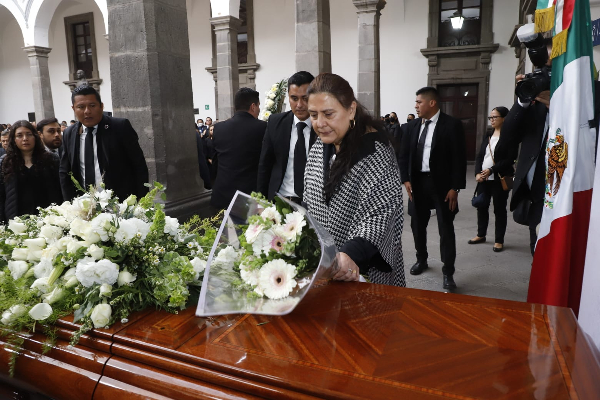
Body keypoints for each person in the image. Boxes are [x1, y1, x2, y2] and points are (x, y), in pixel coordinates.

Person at [304, 73, 405, 287]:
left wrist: (351, 253)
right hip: (324, 265)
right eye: (313, 115)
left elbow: (379, 214)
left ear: (351, 110)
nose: (320, 123)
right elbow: (309, 198)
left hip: (361, 270)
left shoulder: (375, 151)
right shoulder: (320, 145)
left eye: (328, 114)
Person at [398, 87, 466, 289]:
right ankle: (422, 259)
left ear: (432, 103)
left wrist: (455, 188)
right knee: (417, 225)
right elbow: (404, 155)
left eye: (419, 102)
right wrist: (405, 179)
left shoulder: (451, 125)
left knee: (446, 227)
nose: (415, 106)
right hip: (417, 184)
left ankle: (448, 272)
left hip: (443, 186)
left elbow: (459, 158)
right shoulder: (410, 127)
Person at [60, 85, 149, 201]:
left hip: (120, 202)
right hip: (84, 204)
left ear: (101, 106)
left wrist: (142, 201)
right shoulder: (69, 133)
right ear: (73, 109)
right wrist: (69, 202)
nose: (87, 111)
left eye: (92, 106)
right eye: (81, 107)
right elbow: (65, 171)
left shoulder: (120, 127)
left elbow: (139, 165)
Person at [495, 84, 550, 256]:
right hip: (538, 192)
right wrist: (522, 100)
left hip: (569, 190)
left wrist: (555, 103)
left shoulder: (578, 102)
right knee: (538, 248)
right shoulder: (534, 109)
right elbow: (508, 136)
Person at [257, 71, 316, 203]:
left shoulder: (323, 126)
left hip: (314, 204)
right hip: (281, 200)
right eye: (294, 98)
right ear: (288, 97)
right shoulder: (276, 123)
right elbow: (265, 165)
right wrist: (261, 201)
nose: (299, 105)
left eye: (305, 98)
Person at [469, 107, 516, 252]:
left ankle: (499, 240)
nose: (492, 120)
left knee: (499, 209)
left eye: (495, 117)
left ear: (504, 118)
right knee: (482, 206)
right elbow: (480, 156)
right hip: (484, 179)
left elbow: (509, 159)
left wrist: (491, 170)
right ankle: (481, 234)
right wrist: (477, 173)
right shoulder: (488, 135)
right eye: (490, 117)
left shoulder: (510, 137)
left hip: (499, 179)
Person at [210, 88, 267, 209]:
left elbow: (215, 163)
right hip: (249, 197)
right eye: (258, 106)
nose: (259, 109)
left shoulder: (219, 128)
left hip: (222, 195)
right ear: (253, 106)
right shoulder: (263, 128)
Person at [0, 120, 62, 223]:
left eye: (29, 134)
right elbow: (2, 195)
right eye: (19, 135)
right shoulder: (5, 162)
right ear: (14, 139)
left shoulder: (51, 160)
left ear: (35, 136)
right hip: (16, 220)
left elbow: (59, 190)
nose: (25, 139)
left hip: (47, 219)